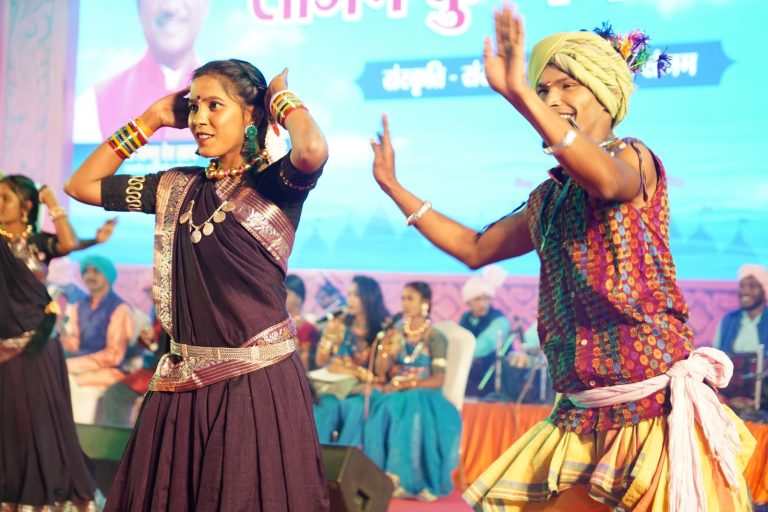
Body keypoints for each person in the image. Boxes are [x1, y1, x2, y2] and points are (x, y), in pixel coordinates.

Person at [370, 5, 755, 510]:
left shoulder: (633, 157)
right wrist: (394, 187)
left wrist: (521, 95)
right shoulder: (548, 198)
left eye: (566, 86)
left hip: (650, 408)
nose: (551, 99)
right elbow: (474, 249)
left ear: (605, 94)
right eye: (542, 89)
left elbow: (608, 182)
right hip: (580, 410)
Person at [65, 58, 330, 510]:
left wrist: (282, 100)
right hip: (181, 386)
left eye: (214, 106)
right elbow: (81, 184)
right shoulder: (176, 187)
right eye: (193, 106)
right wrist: (150, 119)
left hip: (253, 385)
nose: (198, 119)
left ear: (251, 115)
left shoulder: (274, 185)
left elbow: (311, 150)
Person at [0, 175, 98, 510]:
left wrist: (53, 204)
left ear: (26, 206)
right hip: (3, 346)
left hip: (37, 345)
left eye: (5, 198)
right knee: (8, 422)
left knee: (37, 422)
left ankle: (41, 489)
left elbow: (68, 243)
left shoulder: (37, 243)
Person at [365, 281, 462, 501]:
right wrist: (384, 349)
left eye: (411, 298)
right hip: (397, 391)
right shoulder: (397, 333)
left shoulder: (435, 337)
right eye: (403, 298)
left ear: (425, 303)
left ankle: (405, 479)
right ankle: (377, 477)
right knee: (379, 406)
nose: (405, 304)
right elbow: (382, 371)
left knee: (410, 407)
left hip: (425, 393)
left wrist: (407, 384)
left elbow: (438, 379)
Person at [74, 0, 209, 142]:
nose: (171, 7)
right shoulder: (92, 103)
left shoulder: (225, 94)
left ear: (206, 4)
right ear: (139, 7)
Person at [312, 275, 390, 444]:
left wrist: (356, 374)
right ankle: (316, 455)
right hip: (339, 386)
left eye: (356, 295)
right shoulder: (342, 326)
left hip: (368, 388)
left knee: (357, 408)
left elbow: (382, 373)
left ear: (368, 298)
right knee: (324, 405)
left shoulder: (383, 329)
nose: (350, 299)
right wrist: (329, 333)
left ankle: (346, 457)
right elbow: (320, 361)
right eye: (349, 294)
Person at [61, 255, 134, 387]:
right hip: (79, 365)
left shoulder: (120, 309)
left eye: (96, 271)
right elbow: (75, 344)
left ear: (108, 276)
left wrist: (73, 365)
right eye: (86, 272)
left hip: (109, 371)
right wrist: (59, 333)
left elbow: (114, 356)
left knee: (66, 383)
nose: (89, 276)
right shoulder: (79, 306)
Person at [458, 266, 511, 397]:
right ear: (468, 302)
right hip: (471, 381)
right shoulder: (466, 319)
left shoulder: (499, 321)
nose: (483, 303)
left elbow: (482, 347)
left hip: (495, 381)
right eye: (478, 299)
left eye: (486, 298)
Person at [713, 264, 768, 353]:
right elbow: (716, 355)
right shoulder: (728, 320)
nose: (745, 291)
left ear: (764, 291)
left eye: (753, 286)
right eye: (742, 286)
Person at [285, 273, 321, 370]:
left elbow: (305, 366)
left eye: (287, 294)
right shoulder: (279, 324)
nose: (282, 298)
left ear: (299, 298)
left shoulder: (306, 328)